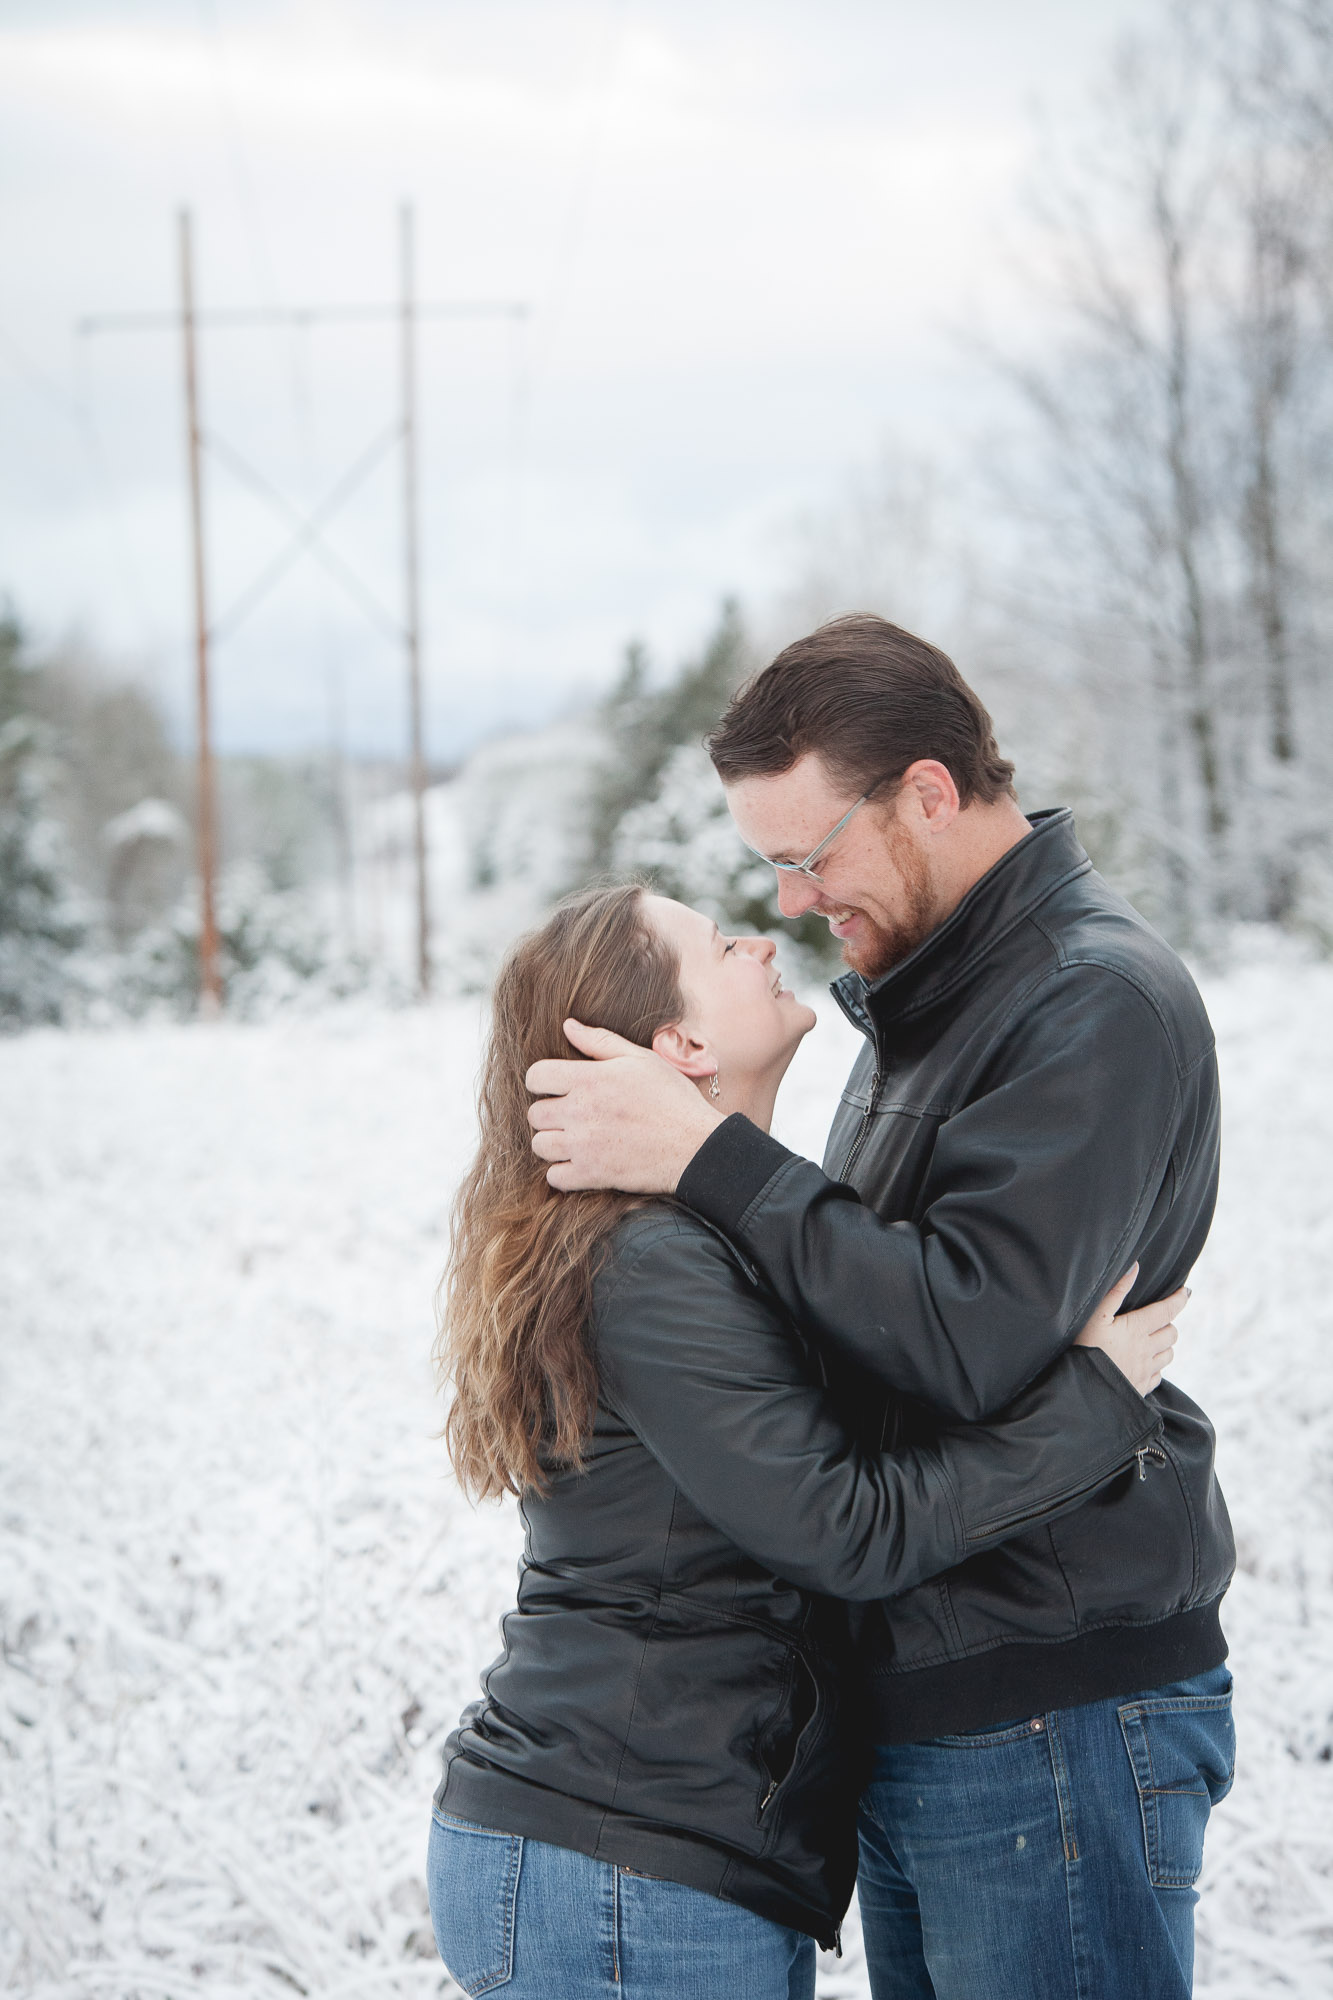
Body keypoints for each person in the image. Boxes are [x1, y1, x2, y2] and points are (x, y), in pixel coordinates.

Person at [524, 617, 1237, 2000]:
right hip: (942, 1699)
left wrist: (709, 1159)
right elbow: (853, 1327)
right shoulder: (930, 1004)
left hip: (1052, 1698)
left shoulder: (1086, 1002)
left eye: (809, 856)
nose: (793, 902)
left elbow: (964, 1342)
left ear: (924, 791)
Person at [428, 881, 1186, 2000]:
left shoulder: (698, 1235)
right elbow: (844, 1526)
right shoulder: (651, 1263)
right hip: (619, 1868)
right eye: (714, 942)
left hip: (639, 1856)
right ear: (678, 1042)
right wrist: (1093, 1399)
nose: (754, 938)